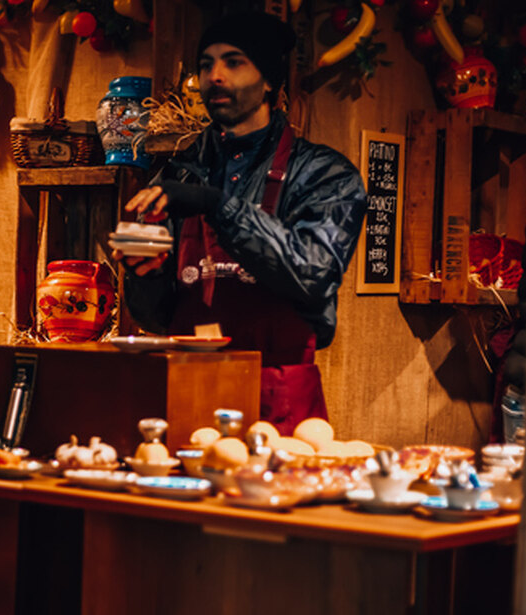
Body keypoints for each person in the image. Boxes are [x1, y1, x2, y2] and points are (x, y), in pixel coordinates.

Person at [117, 11, 367, 435]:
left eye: (234, 62)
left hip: (281, 404)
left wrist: (216, 204)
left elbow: (313, 272)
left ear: (269, 80)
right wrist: (144, 274)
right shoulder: (179, 174)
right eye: (205, 64)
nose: (214, 75)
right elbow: (156, 319)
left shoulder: (325, 174)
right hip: (186, 394)